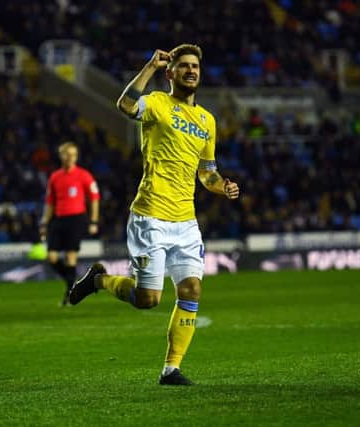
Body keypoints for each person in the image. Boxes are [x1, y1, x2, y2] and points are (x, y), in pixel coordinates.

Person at [69, 45, 239, 385]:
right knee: (148, 300)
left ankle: (171, 369)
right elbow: (126, 105)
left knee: (191, 290)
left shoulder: (207, 121)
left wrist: (223, 186)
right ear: (171, 73)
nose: (191, 71)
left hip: (186, 222)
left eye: (195, 66)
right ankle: (99, 280)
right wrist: (149, 66)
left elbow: (207, 172)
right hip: (151, 217)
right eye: (183, 66)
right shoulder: (158, 103)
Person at [39, 142, 100, 305]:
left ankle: (69, 294)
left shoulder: (84, 175)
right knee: (51, 257)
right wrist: (45, 221)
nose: (70, 157)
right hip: (59, 219)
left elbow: (94, 198)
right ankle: (72, 281)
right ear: (62, 156)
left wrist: (94, 220)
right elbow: (50, 201)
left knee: (70, 256)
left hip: (77, 218)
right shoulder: (55, 176)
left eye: (73, 154)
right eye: (67, 154)